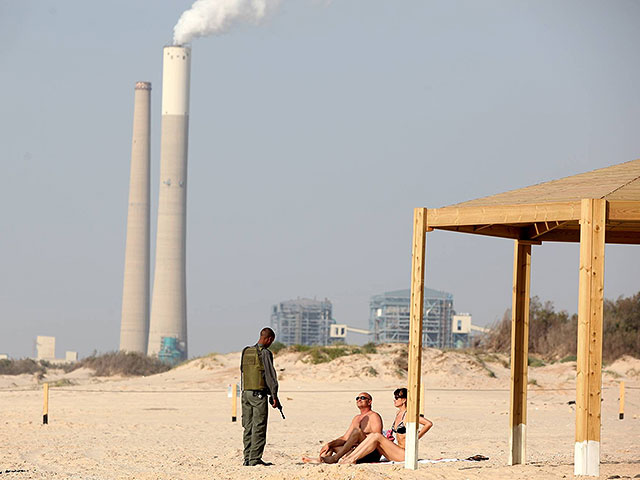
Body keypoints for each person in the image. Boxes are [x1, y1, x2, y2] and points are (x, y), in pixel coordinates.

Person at [339, 387, 433, 464]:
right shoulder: (398, 413)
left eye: (397, 398)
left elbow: (428, 424)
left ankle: (350, 459)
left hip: (405, 454)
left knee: (376, 436)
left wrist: (415, 438)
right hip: (396, 450)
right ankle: (349, 458)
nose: (394, 400)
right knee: (373, 438)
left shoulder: (408, 415)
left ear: (404, 400)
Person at [302, 392, 383, 464]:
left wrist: (358, 441)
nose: (359, 400)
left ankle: (335, 458)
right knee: (332, 446)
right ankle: (321, 459)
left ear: (369, 402)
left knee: (357, 432)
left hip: (369, 453)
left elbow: (376, 439)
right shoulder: (356, 418)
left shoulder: (374, 416)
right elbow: (345, 438)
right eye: (357, 398)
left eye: (362, 398)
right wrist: (329, 444)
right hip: (355, 450)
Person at [240, 327, 280, 466]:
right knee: (259, 426)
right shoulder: (265, 353)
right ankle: (254, 459)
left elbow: (243, 372)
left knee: (248, 426)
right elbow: (270, 376)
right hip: (258, 395)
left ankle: (247, 458)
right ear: (269, 339)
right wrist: (274, 395)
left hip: (245, 393)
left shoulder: (246, 351)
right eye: (271, 341)